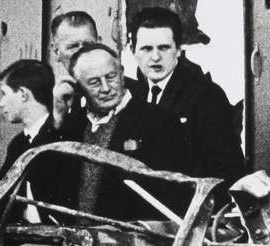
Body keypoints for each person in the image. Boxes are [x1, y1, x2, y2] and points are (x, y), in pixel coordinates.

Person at [53, 42, 185, 220]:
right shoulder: (72, 124)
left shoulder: (158, 120)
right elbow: (44, 181)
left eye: (111, 77)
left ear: (122, 73)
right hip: (75, 242)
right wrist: (57, 115)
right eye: (94, 83)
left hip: (129, 241)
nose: (106, 88)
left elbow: (173, 194)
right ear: (78, 87)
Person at [125, 7, 245, 181]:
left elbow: (228, 169)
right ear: (133, 50)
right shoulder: (132, 94)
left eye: (164, 48)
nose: (156, 57)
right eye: (146, 49)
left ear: (179, 50)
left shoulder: (206, 96)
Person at [0, 59, 60, 220]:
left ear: (23, 94)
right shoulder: (18, 144)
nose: (1, 103)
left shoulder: (59, 135)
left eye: (4, 94)